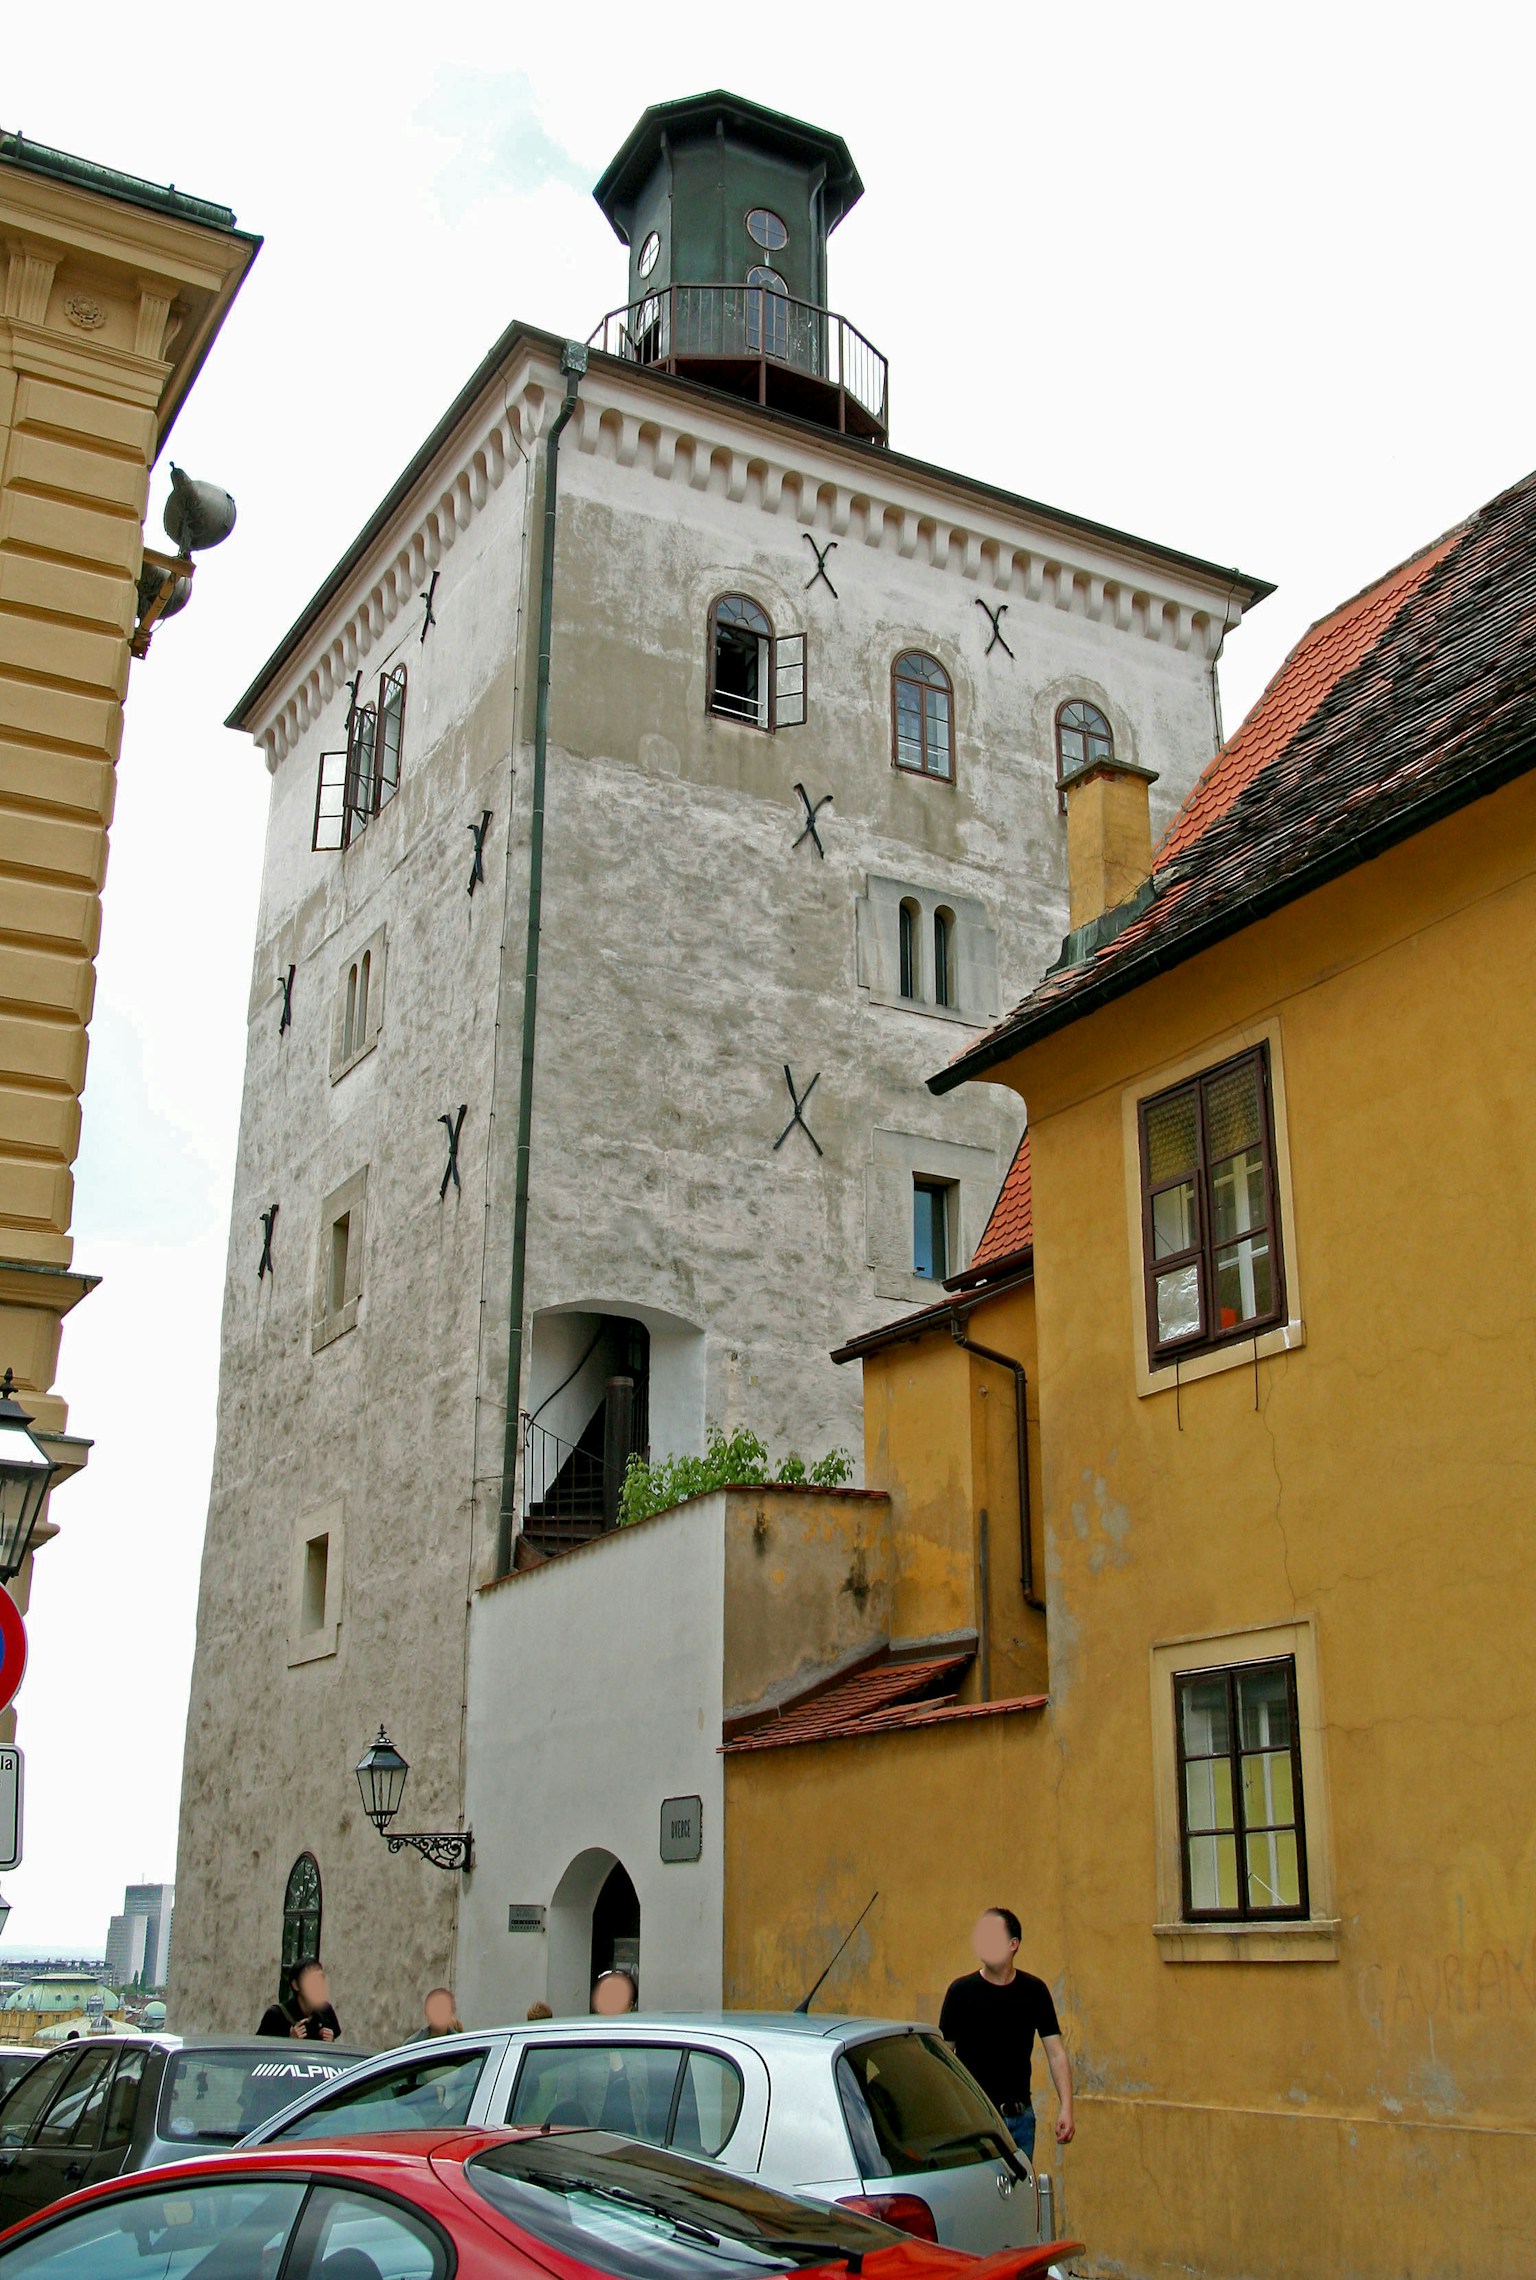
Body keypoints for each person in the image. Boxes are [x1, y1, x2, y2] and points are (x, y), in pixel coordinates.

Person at [939, 1907, 1073, 2165]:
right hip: (976, 2122)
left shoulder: (1034, 1991)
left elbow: (1056, 2053)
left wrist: (1066, 2107)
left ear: (1013, 1944)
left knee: (1020, 2199)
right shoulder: (961, 1992)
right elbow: (944, 2058)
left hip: (1021, 2120)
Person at [258, 1958, 341, 2042]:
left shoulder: (325, 2010)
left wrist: (330, 2041)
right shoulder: (276, 2015)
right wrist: (290, 2040)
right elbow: (260, 2049)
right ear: (296, 1985)